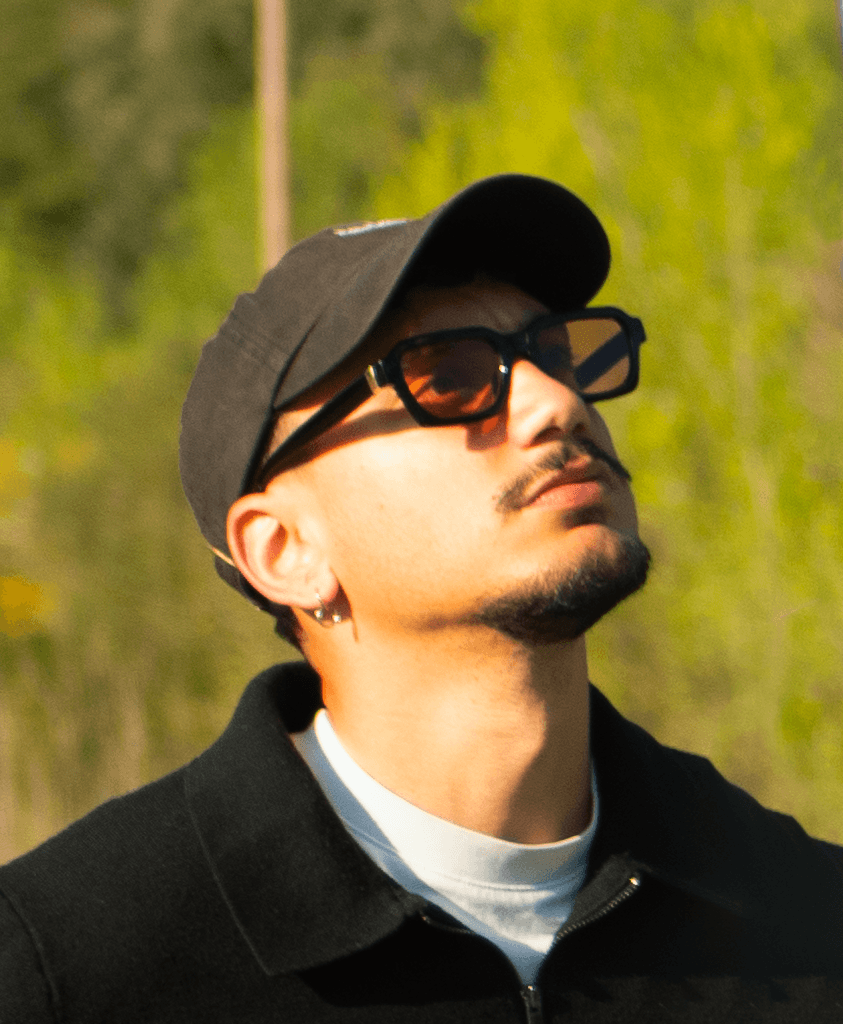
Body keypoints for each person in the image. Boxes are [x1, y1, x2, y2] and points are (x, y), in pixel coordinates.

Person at [1, 174, 841, 1022]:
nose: (557, 404)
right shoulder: (70, 967)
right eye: (447, 376)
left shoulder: (803, 923)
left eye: (556, 357)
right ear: (286, 551)